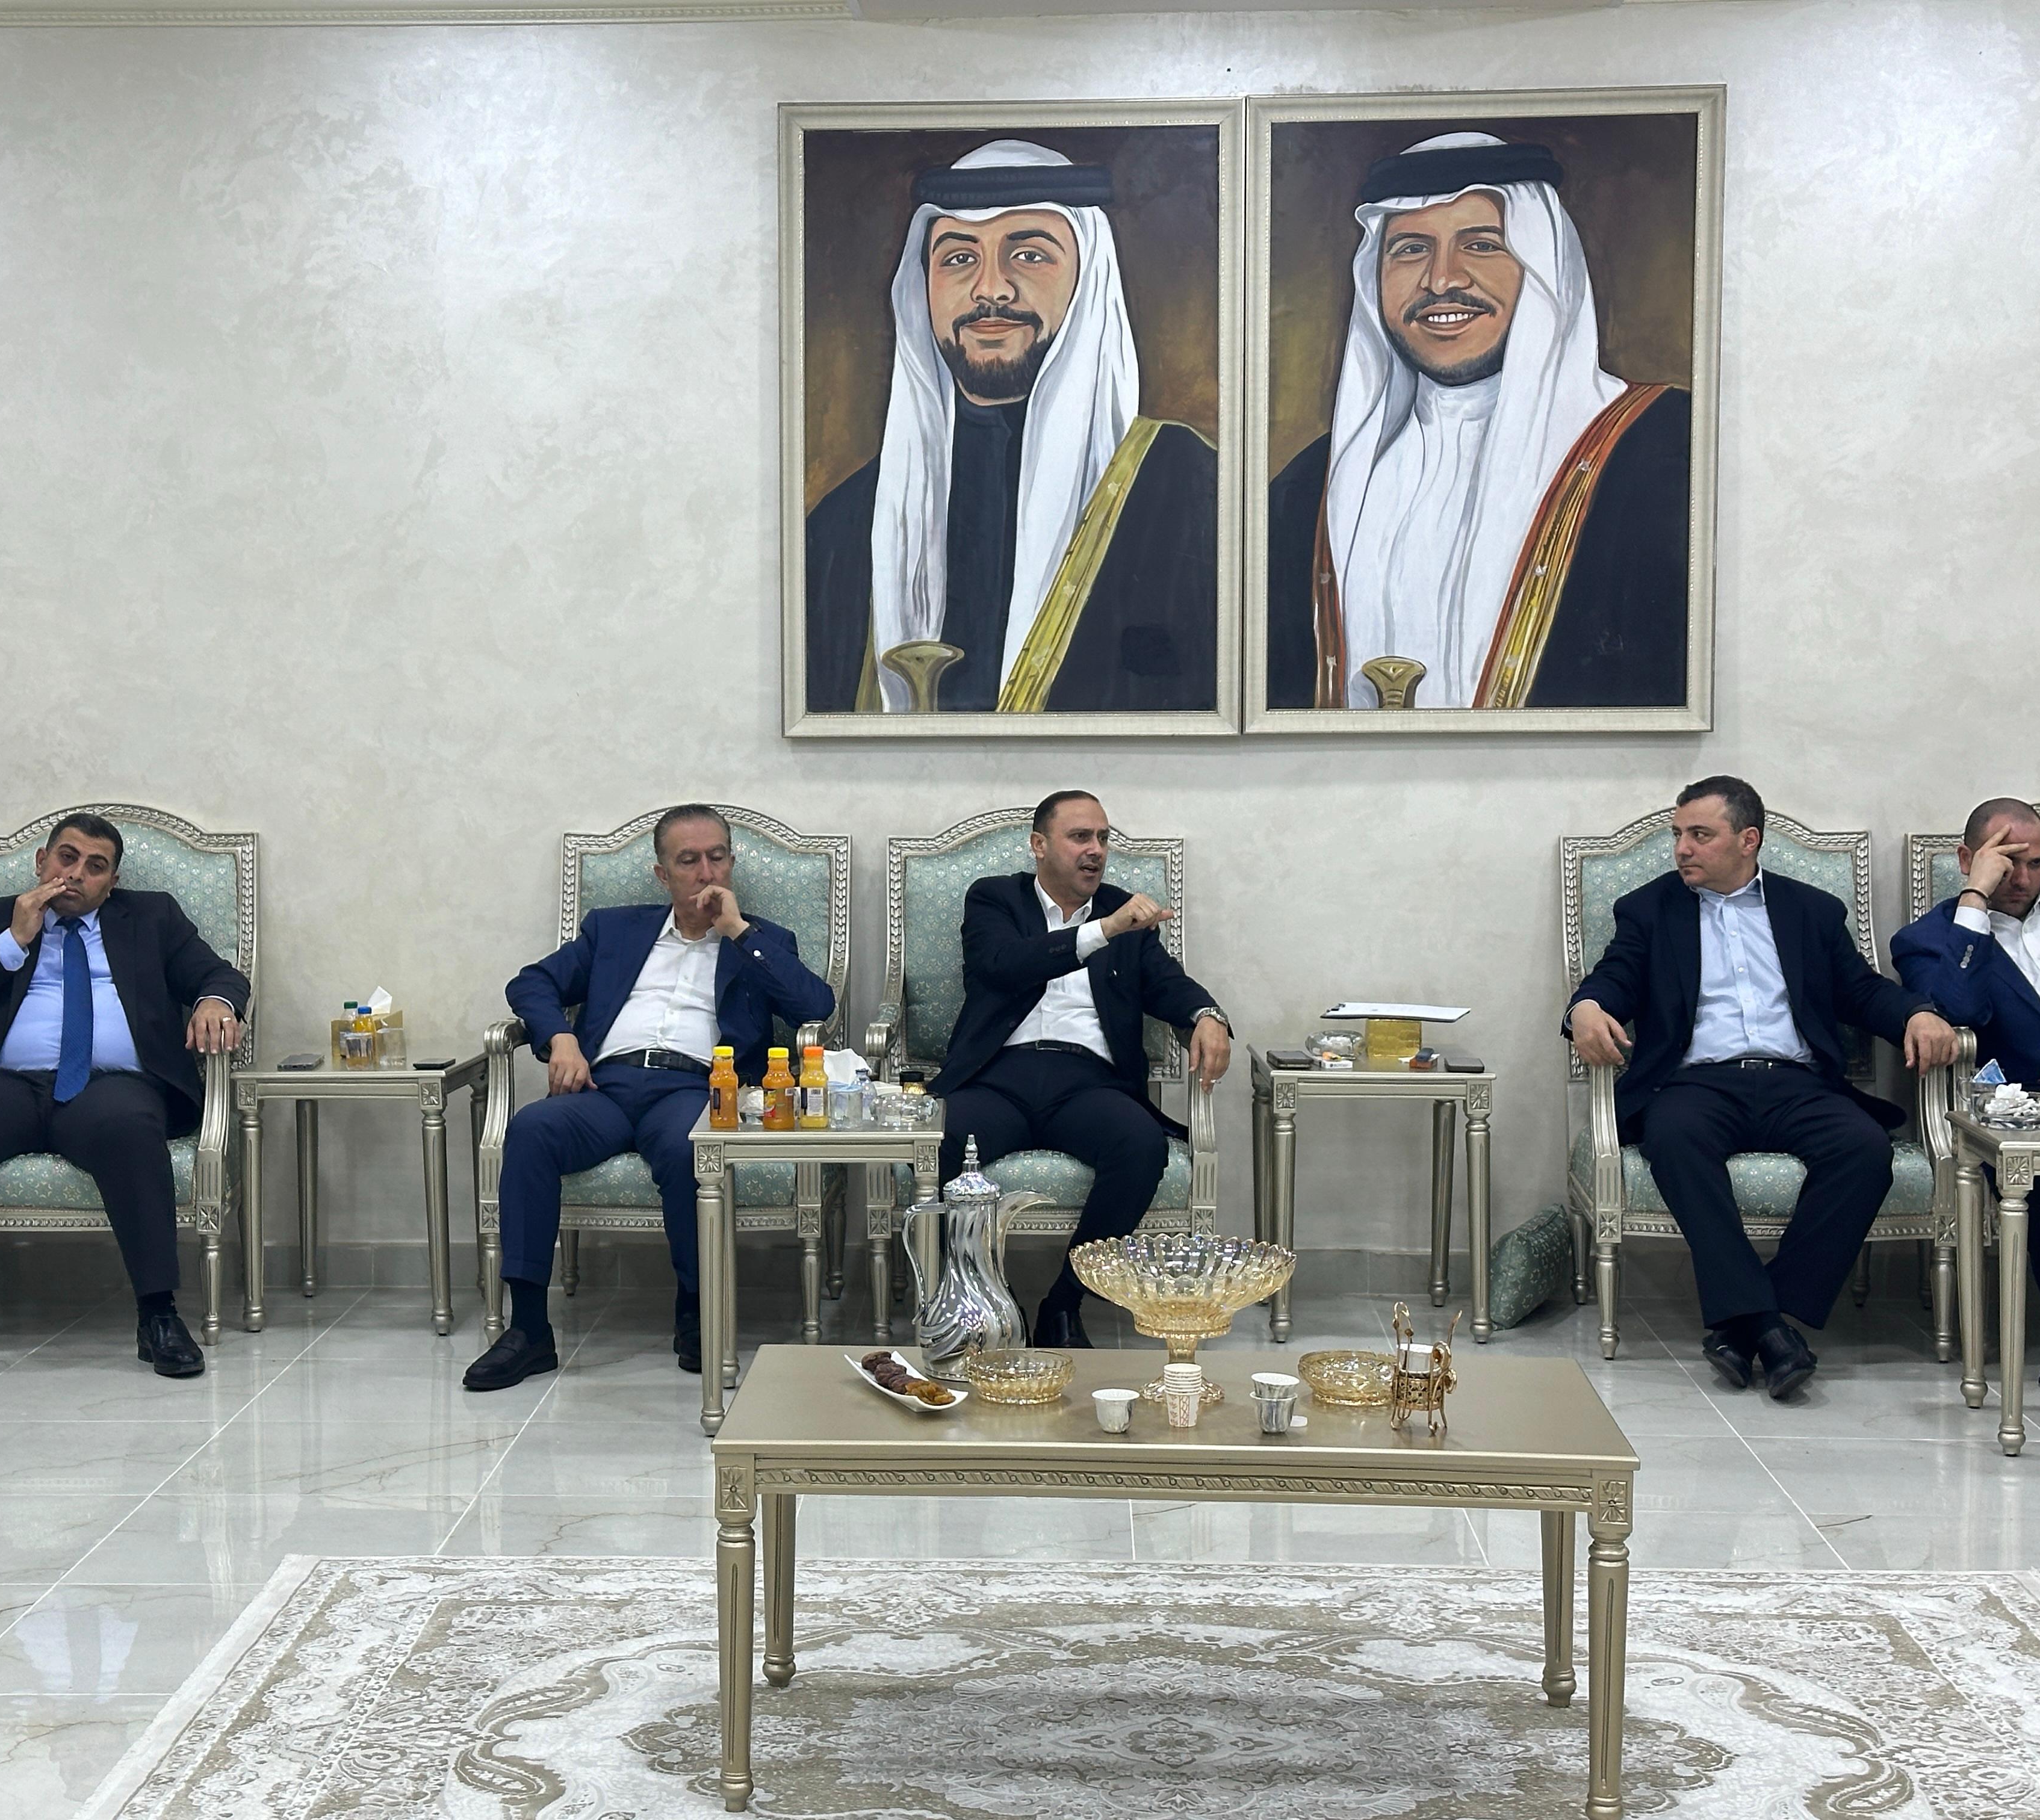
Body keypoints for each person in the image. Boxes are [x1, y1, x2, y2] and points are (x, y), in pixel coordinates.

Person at [1266, 131, 1693, 711]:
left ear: (1543, 268)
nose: (1442, 280)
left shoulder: (1667, 452)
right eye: (1410, 249)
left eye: (1482, 245)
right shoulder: (1307, 489)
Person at [1566, 776, 1957, 1399]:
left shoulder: (1812, 911)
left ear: (1748, 840)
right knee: (1675, 1141)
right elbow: (1613, 978)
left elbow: (1860, 991)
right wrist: (1585, 1008)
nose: (1682, 849)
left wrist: (1918, 1013)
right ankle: (1771, 1331)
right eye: (1678, 834)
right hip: (1696, 1085)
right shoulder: (1649, 909)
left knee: (1863, 1150)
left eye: (1701, 835)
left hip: (1797, 1083)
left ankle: (1753, 1321)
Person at [805, 138, 1217, 716]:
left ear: (1088, 280)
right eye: (959, 258)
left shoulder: (1189, 490)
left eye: (1028, 255)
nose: (991, 290)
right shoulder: (845, 524)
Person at [0, 812, 248, 1385]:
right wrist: (14, 941)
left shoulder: (152, 918)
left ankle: (158, 1316)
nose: (77, 874)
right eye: (67, 857)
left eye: (96, 867)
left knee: (132, 1131)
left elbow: (221, 976)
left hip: (113, 1085)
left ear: (113, 883)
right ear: (42, 862)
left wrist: (214, 1002)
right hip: (6, 1085)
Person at [465, 805, 837, 1391]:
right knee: (532, 1130)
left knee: (691, 1146)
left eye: (717, 857)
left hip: (694, 1088)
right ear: (663, 875)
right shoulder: (614, 930)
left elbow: (815, 1007)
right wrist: (561, 1038)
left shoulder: (761, 941)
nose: (706, 872)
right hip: (605, 1088)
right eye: (689, 861)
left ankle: (696, 1310)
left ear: (732, 863)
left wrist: (738, 932)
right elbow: (532, 982)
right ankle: (529, 1330)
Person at [931, 790, 1231, 1348]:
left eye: (1103, 838)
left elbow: (1167, 982)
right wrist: (1104, 930)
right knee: (938, 1142)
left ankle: (1064, 1304)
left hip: (1088, 1083)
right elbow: (1001, 966)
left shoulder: (1123, 910)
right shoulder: (995, 898)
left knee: (1140, 1145)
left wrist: (1207, 1015)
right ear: (1040, 845)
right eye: (1080, 837)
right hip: (999, 1076)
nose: (1096, 850)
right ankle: (988, 1296)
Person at [1891, 797, 2040, 1388]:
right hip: (2025, 1102)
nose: (2023, 879)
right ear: (1969, 859)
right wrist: (1975, 901)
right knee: (2031, 1174)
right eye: (2008, 863)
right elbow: (1958, 1009)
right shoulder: (1927, 940)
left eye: (2036, 864)